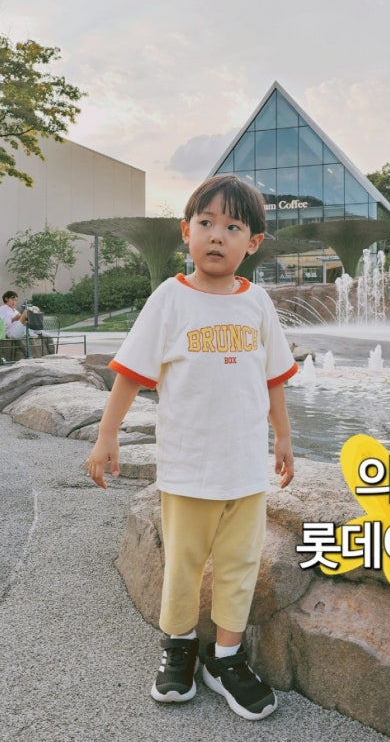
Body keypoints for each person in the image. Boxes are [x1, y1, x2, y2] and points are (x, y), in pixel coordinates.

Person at [87, 174, 297, 721]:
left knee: (238, 566)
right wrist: (107, 434)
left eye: (233, 226)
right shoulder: (170, 299)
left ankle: (225, 657)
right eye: (206, 222)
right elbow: (132, 374)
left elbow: (274, 378)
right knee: (183, 565)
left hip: (245, 471)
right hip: (188, 469)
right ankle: (179, 645)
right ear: (186, 232)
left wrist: (284, 437)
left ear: (253, 243)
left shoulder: (258, 304)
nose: (217, 235)